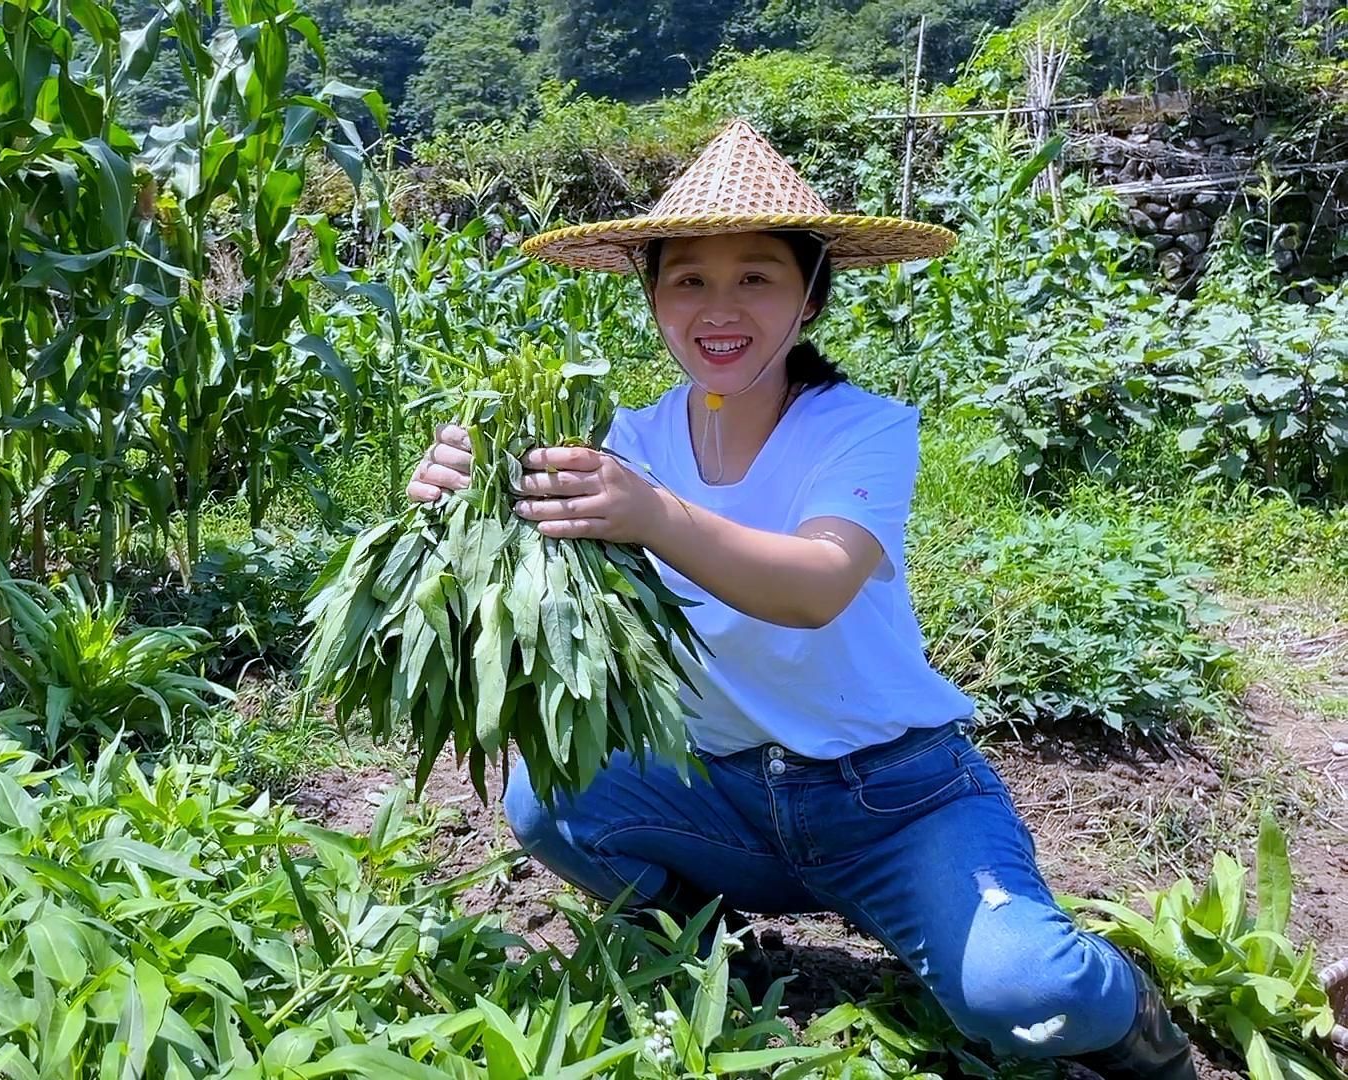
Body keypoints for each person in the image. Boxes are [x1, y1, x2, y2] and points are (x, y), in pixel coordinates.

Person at [404, 118, 1197, 1078]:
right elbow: (526, 605)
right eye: (688, 278)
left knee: (1024, 996)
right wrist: (464, 497)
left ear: (811, 296)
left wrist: (654, 515)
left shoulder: (859, 430)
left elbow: (819, 586)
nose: (718, 306)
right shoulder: (622, 440)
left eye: (757, 276)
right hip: (717, 790)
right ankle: (712, 950)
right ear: (651, 295)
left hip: (894, 798)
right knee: (549, 802)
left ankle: (1130, 1014)